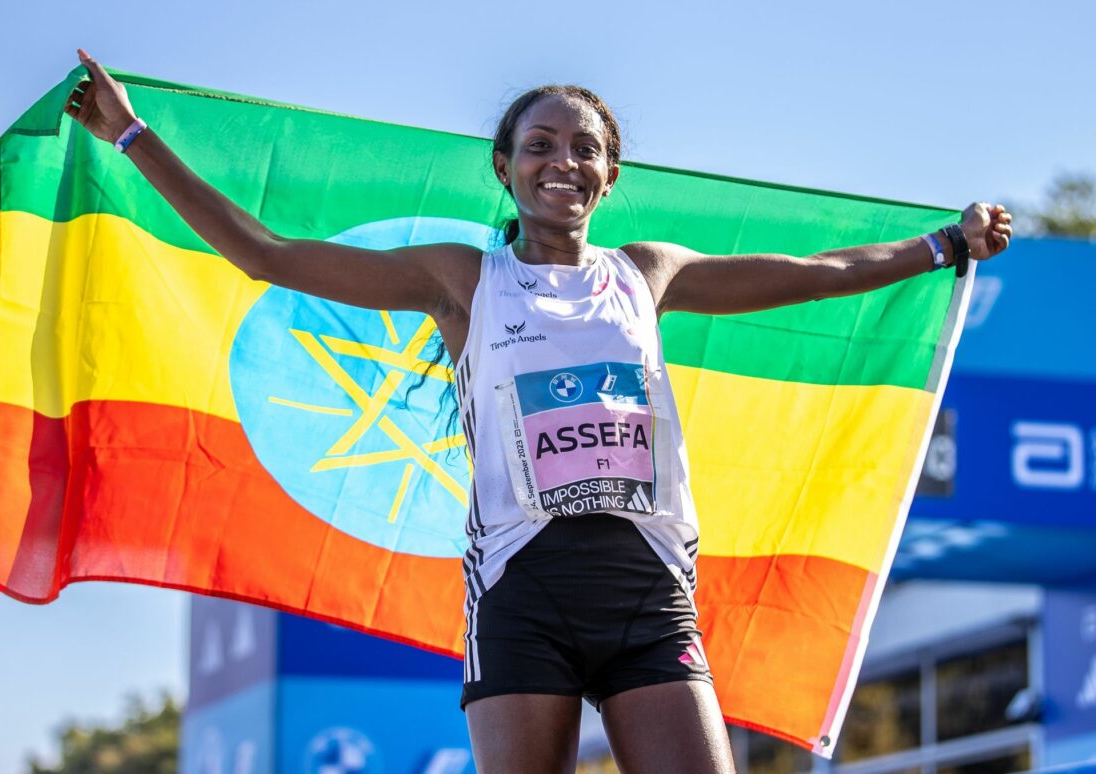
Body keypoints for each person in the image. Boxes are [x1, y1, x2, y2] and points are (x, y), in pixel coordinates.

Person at [65, 49, 1013, 774]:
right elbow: (267, 254)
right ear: (506, 169)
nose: (564, 162)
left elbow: (813, 276)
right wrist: (131, 135)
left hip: (648, 592)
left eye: (585, 150)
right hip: (522, 599)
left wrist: (941, 244)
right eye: (541, 146)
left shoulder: (648, 273)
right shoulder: (461, 279)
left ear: (609, 177)